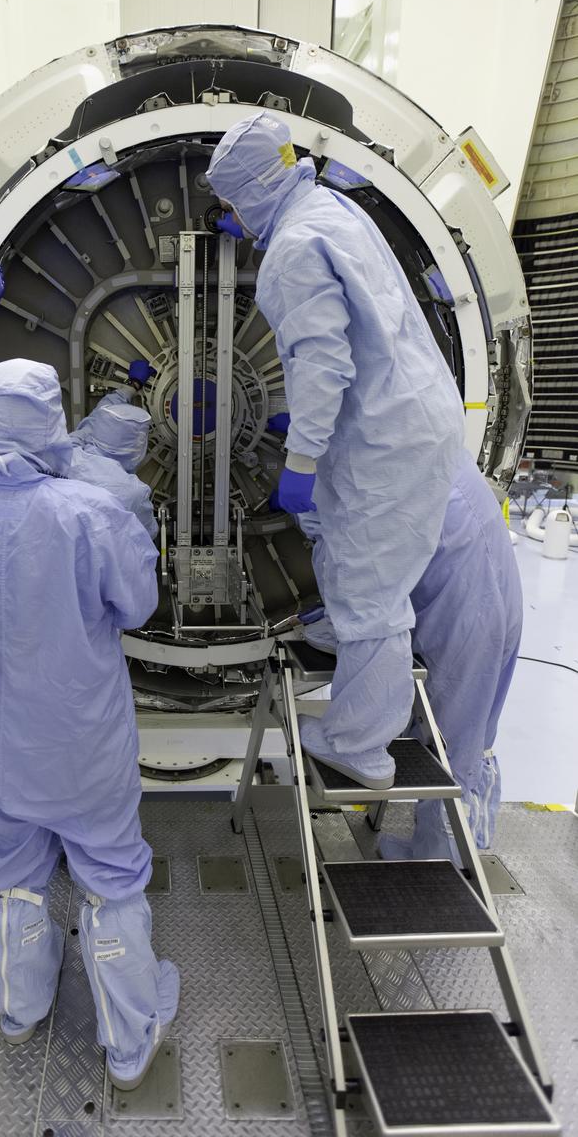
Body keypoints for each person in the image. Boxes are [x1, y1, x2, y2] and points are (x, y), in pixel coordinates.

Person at [0, 359, 178, 1089]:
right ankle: (130, 1040)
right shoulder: (92, 513)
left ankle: (18, 1010)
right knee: (108, 872)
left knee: (9, 871)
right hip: (80, 737)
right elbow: (136, 607)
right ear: (51, 421)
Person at [208, 111, 465, 788]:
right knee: (342, 531)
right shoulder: (330, 208)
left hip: (384, 429)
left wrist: (299, 461)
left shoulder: (293, 248)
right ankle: (340, 631)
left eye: (232, 203)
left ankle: (359, 744)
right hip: (404, 411)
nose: (231, 217)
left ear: (254, 190)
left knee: (372, 587)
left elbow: (320, 363)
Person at [284, 438, 522, 860]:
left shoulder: (359, 472)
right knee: (472, 731)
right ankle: (445, 846)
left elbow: (354, 563)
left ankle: (441, 859)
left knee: (454, 739)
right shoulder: (419, 442)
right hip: (493, 585)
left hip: (463, 613)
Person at [69, 361, 158, 540]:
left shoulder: (69, 456)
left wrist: (131, 386)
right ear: (139, 446)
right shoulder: (135, 494)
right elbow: (149, 536)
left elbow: (94, 422)